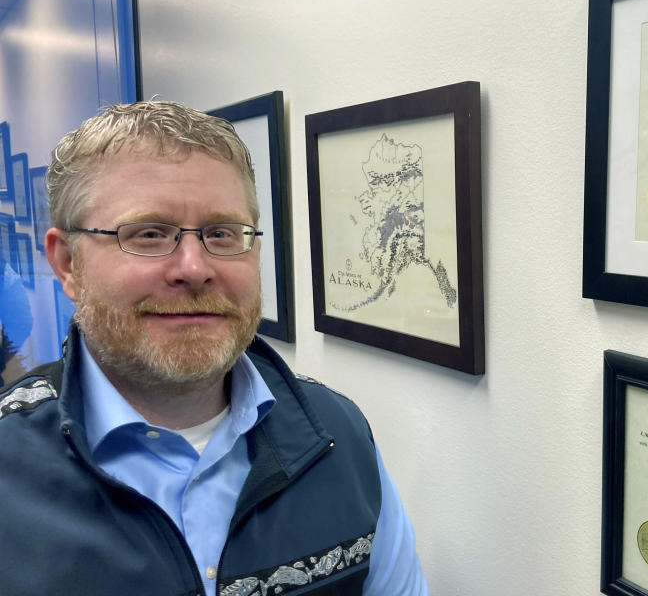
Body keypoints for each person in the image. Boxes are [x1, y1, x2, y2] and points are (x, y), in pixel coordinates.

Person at [0, 101, 429, 596]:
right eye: (148, 234)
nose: (195, 267)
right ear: (68, 263)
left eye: (222, 234)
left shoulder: (338, 435)